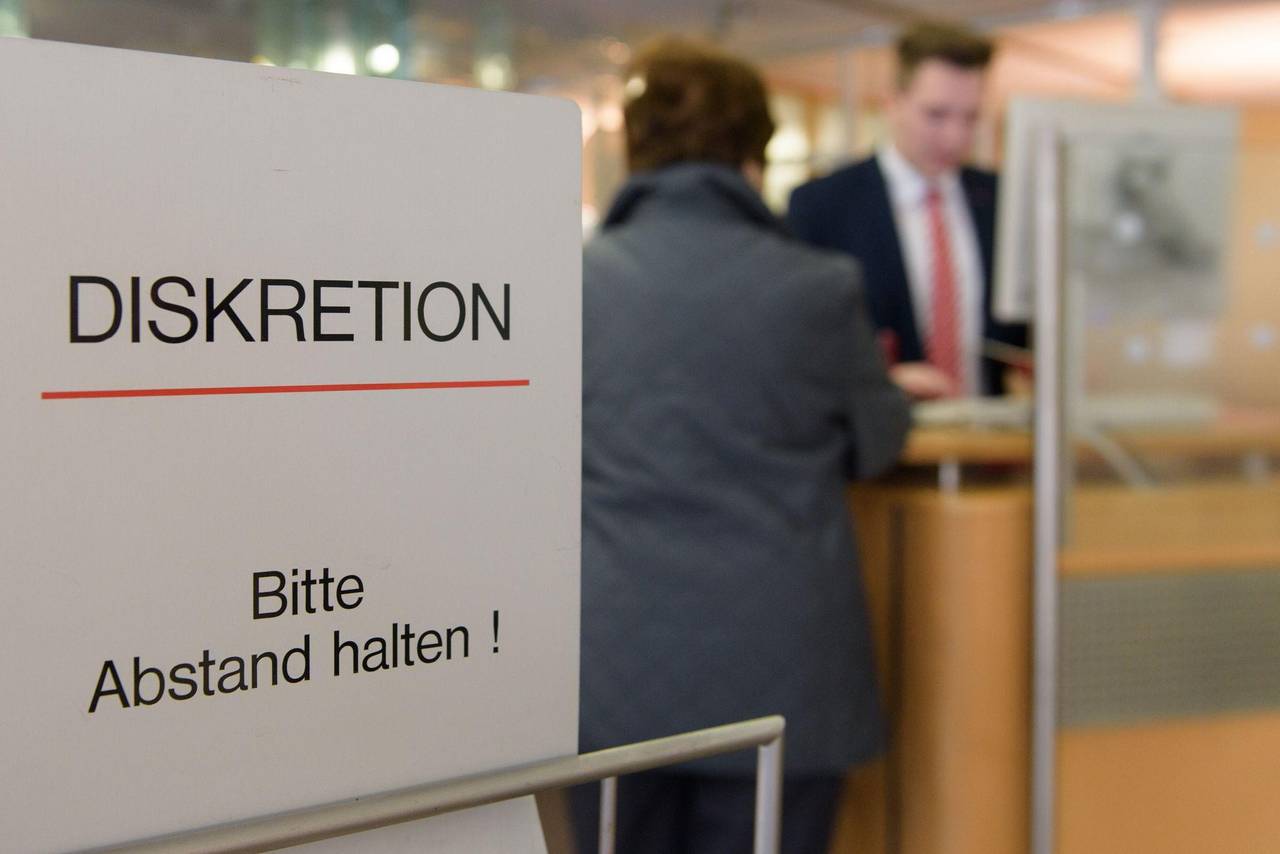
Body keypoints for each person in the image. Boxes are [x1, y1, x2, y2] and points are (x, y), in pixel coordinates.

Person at [574, 37, 910, 854]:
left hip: (610, 670)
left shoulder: (571, 283)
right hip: (779, 673)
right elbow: (878, 444)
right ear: (755, 153)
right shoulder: (818, 286)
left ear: (633, 150)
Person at [787, 21, 1027, 399]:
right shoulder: (823, 205)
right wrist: (881, 380)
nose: (955, 138)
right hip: (880, 430)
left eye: (970, 118)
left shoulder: (1002, 199)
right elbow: (799, 344)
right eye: (936, 115)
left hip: (987, 430)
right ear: (893, 103)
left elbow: (1021, 330)